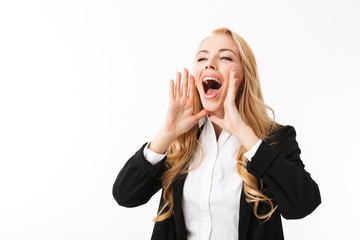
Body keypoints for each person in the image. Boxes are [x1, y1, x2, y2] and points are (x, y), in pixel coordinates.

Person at [112, 27, 321, 240]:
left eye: (224, 57)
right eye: (202, 58)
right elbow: (125, 195)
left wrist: (245, 134)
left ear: (243, 76)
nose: (210, 63)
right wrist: (167, 132)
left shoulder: (275, 139)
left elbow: (303, 205)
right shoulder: (181, 139)